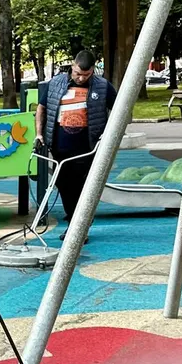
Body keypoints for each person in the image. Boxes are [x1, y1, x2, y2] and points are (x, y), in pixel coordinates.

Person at [35, 50, 117, 237]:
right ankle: (75, 221)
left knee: (82, 188)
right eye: (78, 73)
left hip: (87, 149)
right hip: (59, 147)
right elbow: (42, 108)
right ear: (72, 67)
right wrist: (39, 135)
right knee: (64, 185)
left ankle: (78, 229)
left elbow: (121, 110)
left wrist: (108, 136)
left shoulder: (102, 87)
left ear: (93, 71)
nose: (81, 78)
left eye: (86, 75)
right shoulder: (56, 83)